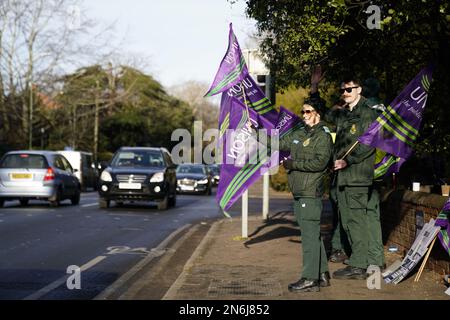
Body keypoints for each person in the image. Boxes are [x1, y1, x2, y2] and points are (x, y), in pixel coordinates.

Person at [311, 67, 379, 280]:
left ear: (359, 90)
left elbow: (368, 144)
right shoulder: (345, 114)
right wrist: (314, 88)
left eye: (349, 89)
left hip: (357, 176)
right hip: (344, 177)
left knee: (356, 221)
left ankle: (360, 264)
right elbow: (321, 113)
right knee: (349, 221)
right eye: (343, 90)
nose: (345, 93)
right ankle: (361, 260)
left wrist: (347, 160)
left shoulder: (367, 113)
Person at [278, 96, 333, 292]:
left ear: (317, 112)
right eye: (303, 111)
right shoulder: (300, 132)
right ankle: (323, 274)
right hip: (299, 192)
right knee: (312, 234)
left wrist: (294, 164)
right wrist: (253, 132)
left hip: (310, 192)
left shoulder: (323, 135)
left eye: (308, 111)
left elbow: (320, 163)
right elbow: (278, 142)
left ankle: (309, 278)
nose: (304, 115)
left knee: (309, 237)